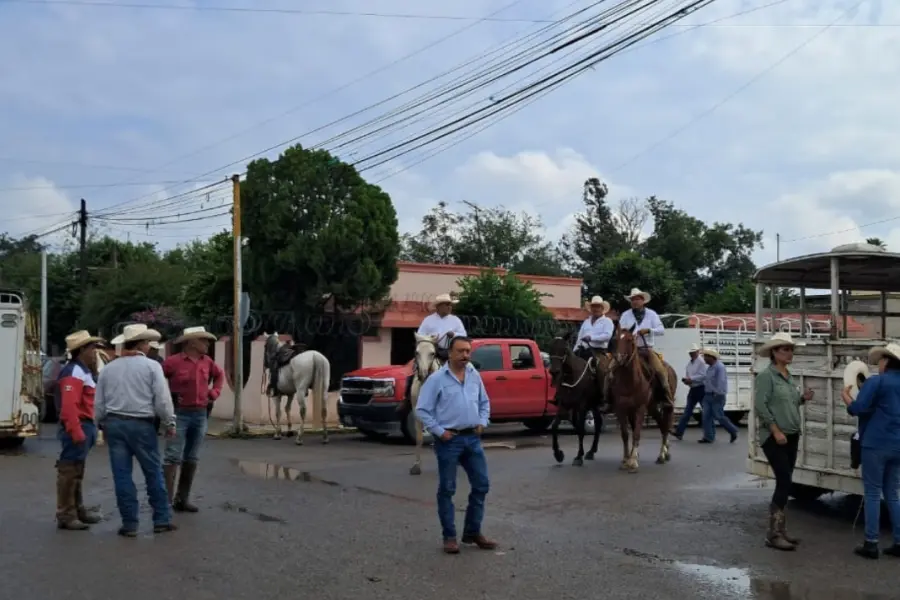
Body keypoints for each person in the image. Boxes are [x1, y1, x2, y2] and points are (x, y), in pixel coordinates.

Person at [94, 323, 177, 537]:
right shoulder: (151, 367)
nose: (150, 346)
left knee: (122, 475)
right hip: (141, 424)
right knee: (153, 473)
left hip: (114, 424)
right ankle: (161, 519)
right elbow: (162, 401)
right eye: (148, 342)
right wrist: (170, 422)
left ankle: (130, 523)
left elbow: (99, 404)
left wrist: (98, 424)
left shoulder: (108, 369)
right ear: (141, 344)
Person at [415, 336, 496, 554]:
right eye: (460, 351)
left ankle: (472, 531)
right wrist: (440, 432)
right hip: (449, 441)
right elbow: (422, 410)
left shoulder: (473, 375)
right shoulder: (437, 379)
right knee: (447, 489)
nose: (465, 355)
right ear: (449, 353)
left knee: (481, 485)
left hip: (472, 438)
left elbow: (484, 402)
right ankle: (449, 536)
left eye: (468, 351)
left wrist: (482, 421)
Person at [754, 332, 813, 552]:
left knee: (786, 481)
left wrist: (802, 398)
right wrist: (775, 430)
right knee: (784, 480)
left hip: (791, 433)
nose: (790, 353)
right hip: (775, 436)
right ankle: (774, 533)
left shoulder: (788, 375)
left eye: (791, 349)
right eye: (785, 349)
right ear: (774, 353)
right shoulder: (766, 376)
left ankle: (780, 529)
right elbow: (762, 406)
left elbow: (788, 402)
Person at [841, 342, 900, 559]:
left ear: (886, 361)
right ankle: (899, 541)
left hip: (876, 443)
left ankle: (871, 543)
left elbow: (858, 409)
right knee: (893, 494)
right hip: (898, 444)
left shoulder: (877, 382)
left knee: (873, 493)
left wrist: (846, 397)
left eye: (880, 361)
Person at [162, 326, 224, 513]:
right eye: (203, 340)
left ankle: (182, 499)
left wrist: (214, 393)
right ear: (191, 342)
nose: (207, 344)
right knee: (172, 456)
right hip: (179, 413)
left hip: (200, 413)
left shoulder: (208, 362)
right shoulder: (172, 363)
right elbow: (156, 381)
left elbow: (220, 376)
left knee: (192, 456)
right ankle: (164, 502)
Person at [55, 330, 105, 531]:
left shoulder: (81, 370)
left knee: (76, 470)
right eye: (92, 348)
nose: (95, 352)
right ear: (82, 350)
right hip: (78, 425)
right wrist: (76, 431)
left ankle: (75, 509)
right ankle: (67, 514)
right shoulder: (74, 372)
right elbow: (69, 407)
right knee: (69, 471)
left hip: (84, 424)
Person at [403, 293, 467, 407]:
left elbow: (464, 335)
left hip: (450, 352)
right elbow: (420, 335)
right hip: (431, 350)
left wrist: (454, 334)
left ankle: (463, 398)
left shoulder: (455, 320)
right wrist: (429, 339)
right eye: (447, 305)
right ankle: (407, 399)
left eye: (450, 305)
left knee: (464, 370)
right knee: (415, 370)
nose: (449, 307)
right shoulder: (428, 320)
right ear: (439, 306)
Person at [615, 288, 674, 407]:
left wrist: (649, 330)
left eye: (637, 299)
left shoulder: (652, 314)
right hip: (628, 351)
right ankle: (608, 398)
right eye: (633, 299)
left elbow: (661, 330)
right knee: (611, 371)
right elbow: (619, 331)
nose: (635, 301)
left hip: (645, 349)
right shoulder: (625, 315)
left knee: (660, 371)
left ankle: (667, 397)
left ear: (643, 301)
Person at [696, 348, 738, 444]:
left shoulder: (720, 367)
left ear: (712, 357)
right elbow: (705, 379)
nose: (704, 359)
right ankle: (708, 437)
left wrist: (718, 393)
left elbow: (721, 382)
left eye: (706, 356)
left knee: (718, 416)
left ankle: (732, 430)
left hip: (717, 395)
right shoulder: (710, 368)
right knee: (706, 416)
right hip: (707, 394)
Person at [672, 343, 706, 441]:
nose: (691, 354)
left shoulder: (701, 362)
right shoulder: (690, 363)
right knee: (687, 412)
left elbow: (703, 375)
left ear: (697, 352)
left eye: (692, 352)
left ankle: (708, 433)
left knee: (706, 412)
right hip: (694, 388)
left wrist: (691, 379)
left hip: (701, 388)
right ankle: (679, 432)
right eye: (690, 353)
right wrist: (688, 381)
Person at [573, 295, 613, 362]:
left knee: (599, 369)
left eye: (598, 306)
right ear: (591, 309)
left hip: (598, 352)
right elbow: (579, 338)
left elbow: (607, 336)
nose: (595, 309)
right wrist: (574, 351)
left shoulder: (607, 321)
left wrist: (591, 338)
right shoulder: (586, 321)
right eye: (593, 306)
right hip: (582, 351)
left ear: (602, 308)